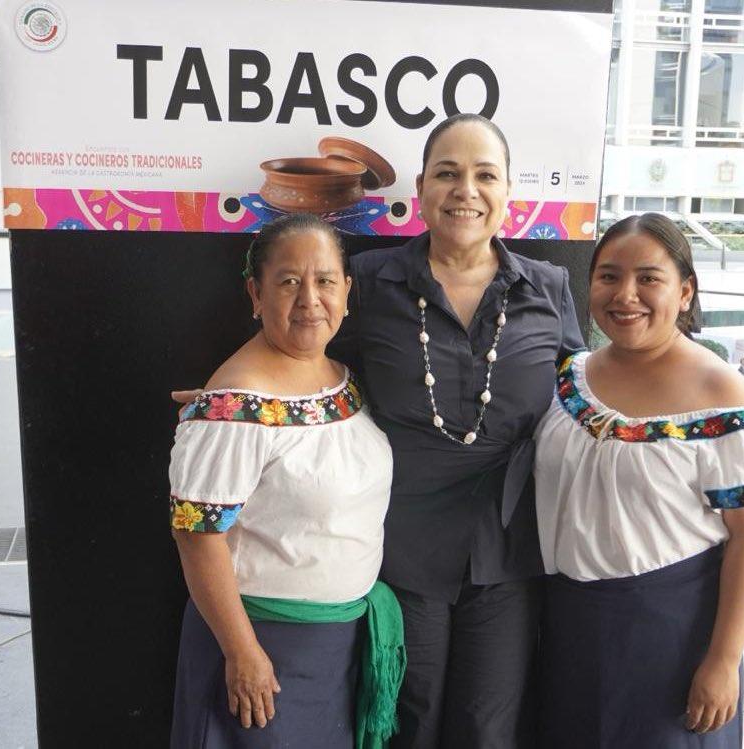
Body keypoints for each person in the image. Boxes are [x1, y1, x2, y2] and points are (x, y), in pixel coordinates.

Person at [174, 113, 584, 748]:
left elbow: (581, 397)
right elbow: (308, 348)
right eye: (447, 173)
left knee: (489, 730)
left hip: (509, 552)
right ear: (421, 187)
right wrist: (233, 406)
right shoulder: (370, 280)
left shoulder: (550, 288)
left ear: (510, 191)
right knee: (403, 721)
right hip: (403, 549)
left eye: (484, 175)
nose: (465, 191)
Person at [535, 213, 744, 748]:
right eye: (608, 276)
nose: (626, 295)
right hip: (568, 629)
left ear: (686, 291)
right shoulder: (569, 377)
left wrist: (723, 660)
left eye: (649, 278)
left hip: (670, 638)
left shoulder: (721, 391)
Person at [168, 213, 404, 749]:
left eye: (324, 281)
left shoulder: (342, 377)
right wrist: (242, 652)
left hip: (337, 648)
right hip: (263, 649)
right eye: (289, 281)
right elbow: (196, 536)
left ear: (346, 291)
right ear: (256, 293)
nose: (309, 299)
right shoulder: (233, 404)